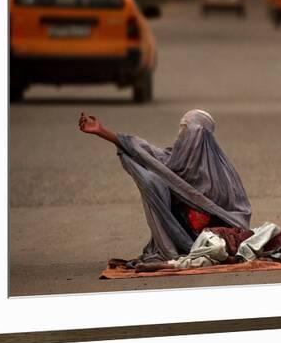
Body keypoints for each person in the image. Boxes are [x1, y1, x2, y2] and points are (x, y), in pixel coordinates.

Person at [78, 109, 252, 265]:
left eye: (188, 131)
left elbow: (238, 216)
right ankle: (172, 245)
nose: (183, 136)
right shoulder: (173, 160)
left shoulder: (223, 173)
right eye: (182, 130)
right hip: (178, 232)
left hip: (212, 239)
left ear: (204, 136)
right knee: (152, 180)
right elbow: (142, 150)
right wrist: (101, 131)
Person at [134, 222, 281, 272]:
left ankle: (163, 265)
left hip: (220, 254)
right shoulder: (274, 231)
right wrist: (239, 260)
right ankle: (183, 259)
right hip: (214, 237)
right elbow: (248, 246)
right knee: (219, 251)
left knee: (204, 264)